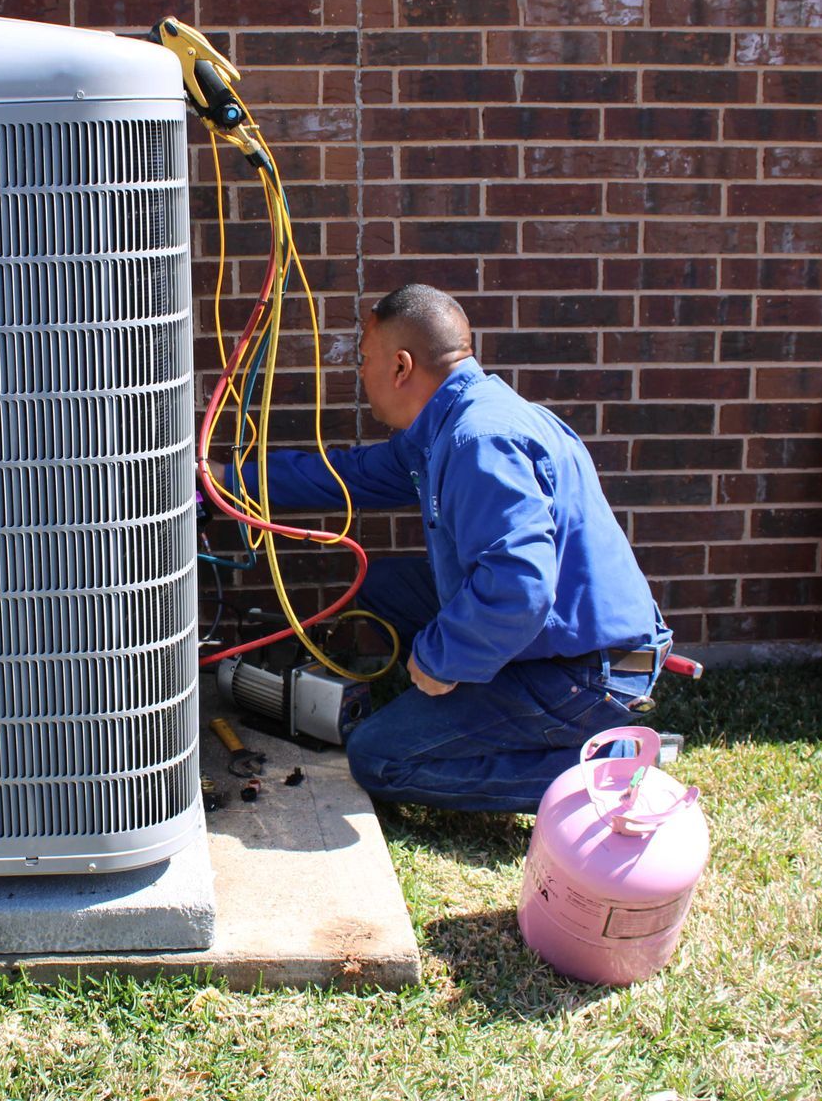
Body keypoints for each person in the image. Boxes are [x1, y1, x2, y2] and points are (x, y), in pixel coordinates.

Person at [230, 283, 672, 813]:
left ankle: (611, 769)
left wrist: (443, 659)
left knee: (379, 758)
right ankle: (482, 696)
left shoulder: (478, 440)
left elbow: (520, 586)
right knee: (378, 586)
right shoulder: (449, 424)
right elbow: (346, 477)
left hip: (585, 674)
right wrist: (229, 482)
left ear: (401, 367)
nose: (359, 374)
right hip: (564, 635)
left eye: (364, 360)